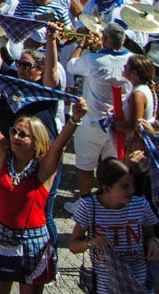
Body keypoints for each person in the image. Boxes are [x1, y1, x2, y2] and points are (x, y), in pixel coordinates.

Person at [0, 69, 86, 294]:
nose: (15, 137)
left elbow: (60, 145)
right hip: (0, 238)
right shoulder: (3, 156)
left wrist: (75, 120)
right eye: (14, 131)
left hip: (33, 243)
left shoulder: (43, 168)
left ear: (36, 141)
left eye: (23, 135)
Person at [68, 157, 159, 294]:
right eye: (125, 186)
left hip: (139, 283)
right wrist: (91, 242)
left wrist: (153, 242)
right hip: (106, 286)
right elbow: (73, 246)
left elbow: (149, 236)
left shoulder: (141, 205)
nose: (131, 190)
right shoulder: (89, 207)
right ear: (106, 188)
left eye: (132, 184)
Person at [65, 22, 131, 203]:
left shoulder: (93, 60)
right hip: (118, 122)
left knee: (85, 163)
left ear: (105, 40)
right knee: (113, 166)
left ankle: (84, 201)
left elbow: (71, 65)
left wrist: (81, 45)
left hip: (92, 123)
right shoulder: (132, 60)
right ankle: (110, 200)